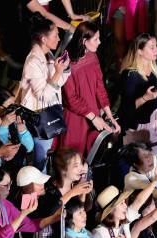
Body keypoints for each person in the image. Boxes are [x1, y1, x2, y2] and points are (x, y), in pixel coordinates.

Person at [20, 12, 70, 171]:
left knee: (42, 163)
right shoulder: (33, 61)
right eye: (55, 35)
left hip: (49, 116)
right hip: (39, 120)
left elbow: (57, 85)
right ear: (43, 38)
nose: (59, 38)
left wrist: (65, 69)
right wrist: (57, 72)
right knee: (38, 166)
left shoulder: (46, 54)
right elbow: (42, 95)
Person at [61, 21, 120, 156]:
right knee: (74, 158)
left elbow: (99, 87)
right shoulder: (67, 60)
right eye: (96, 39)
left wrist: (110, 116)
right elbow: (70, 98)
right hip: (76, 118)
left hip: (94, 115)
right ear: (83, 41)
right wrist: (93, 118)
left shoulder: (93, 55)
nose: (99, 42)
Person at [118, 33, 157, 146]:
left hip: (153, 123)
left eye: (156, 46)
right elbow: (126, 109)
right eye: (152, 47)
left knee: (152, 160)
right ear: (139, 51)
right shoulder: (130, 75)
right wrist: (145, 98)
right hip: (137, 128)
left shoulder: (154, 68)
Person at [0, 86, 35, 175]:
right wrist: (4, 126)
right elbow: (5, 150)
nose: (13, 110)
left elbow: (29, 148)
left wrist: (22, 131)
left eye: (14, 105)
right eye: (10, 106)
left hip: (15, 169)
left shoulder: (12, 119)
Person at [107, 0, 149, 67]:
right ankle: (121, 64)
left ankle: (134, 65)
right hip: (119, 5)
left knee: (135, 39)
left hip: (137, 5)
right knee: (119, 39)